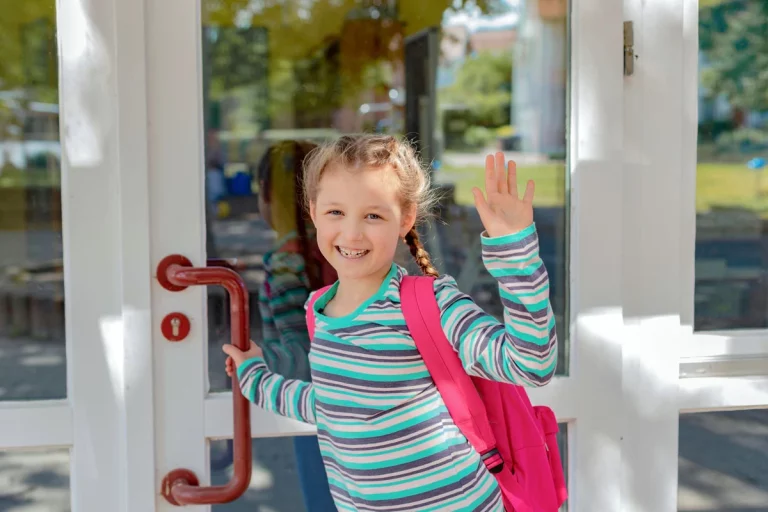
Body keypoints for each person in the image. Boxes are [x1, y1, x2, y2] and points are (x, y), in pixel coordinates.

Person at [224, 134, 558, 511]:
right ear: (313, 212)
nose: (351, 233)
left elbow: (532, 364)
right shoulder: (319, 311)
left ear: (406, 218)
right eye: (336, 212)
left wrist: (515, 253)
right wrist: (253, 374)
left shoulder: (431, 303)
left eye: (373, 215)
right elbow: (331, 406)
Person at [252, 140, 337, 511]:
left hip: (315, 412)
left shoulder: (287, 263)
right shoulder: (339, 250)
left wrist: (250, 360)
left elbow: (303, 355)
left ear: (271, 196)